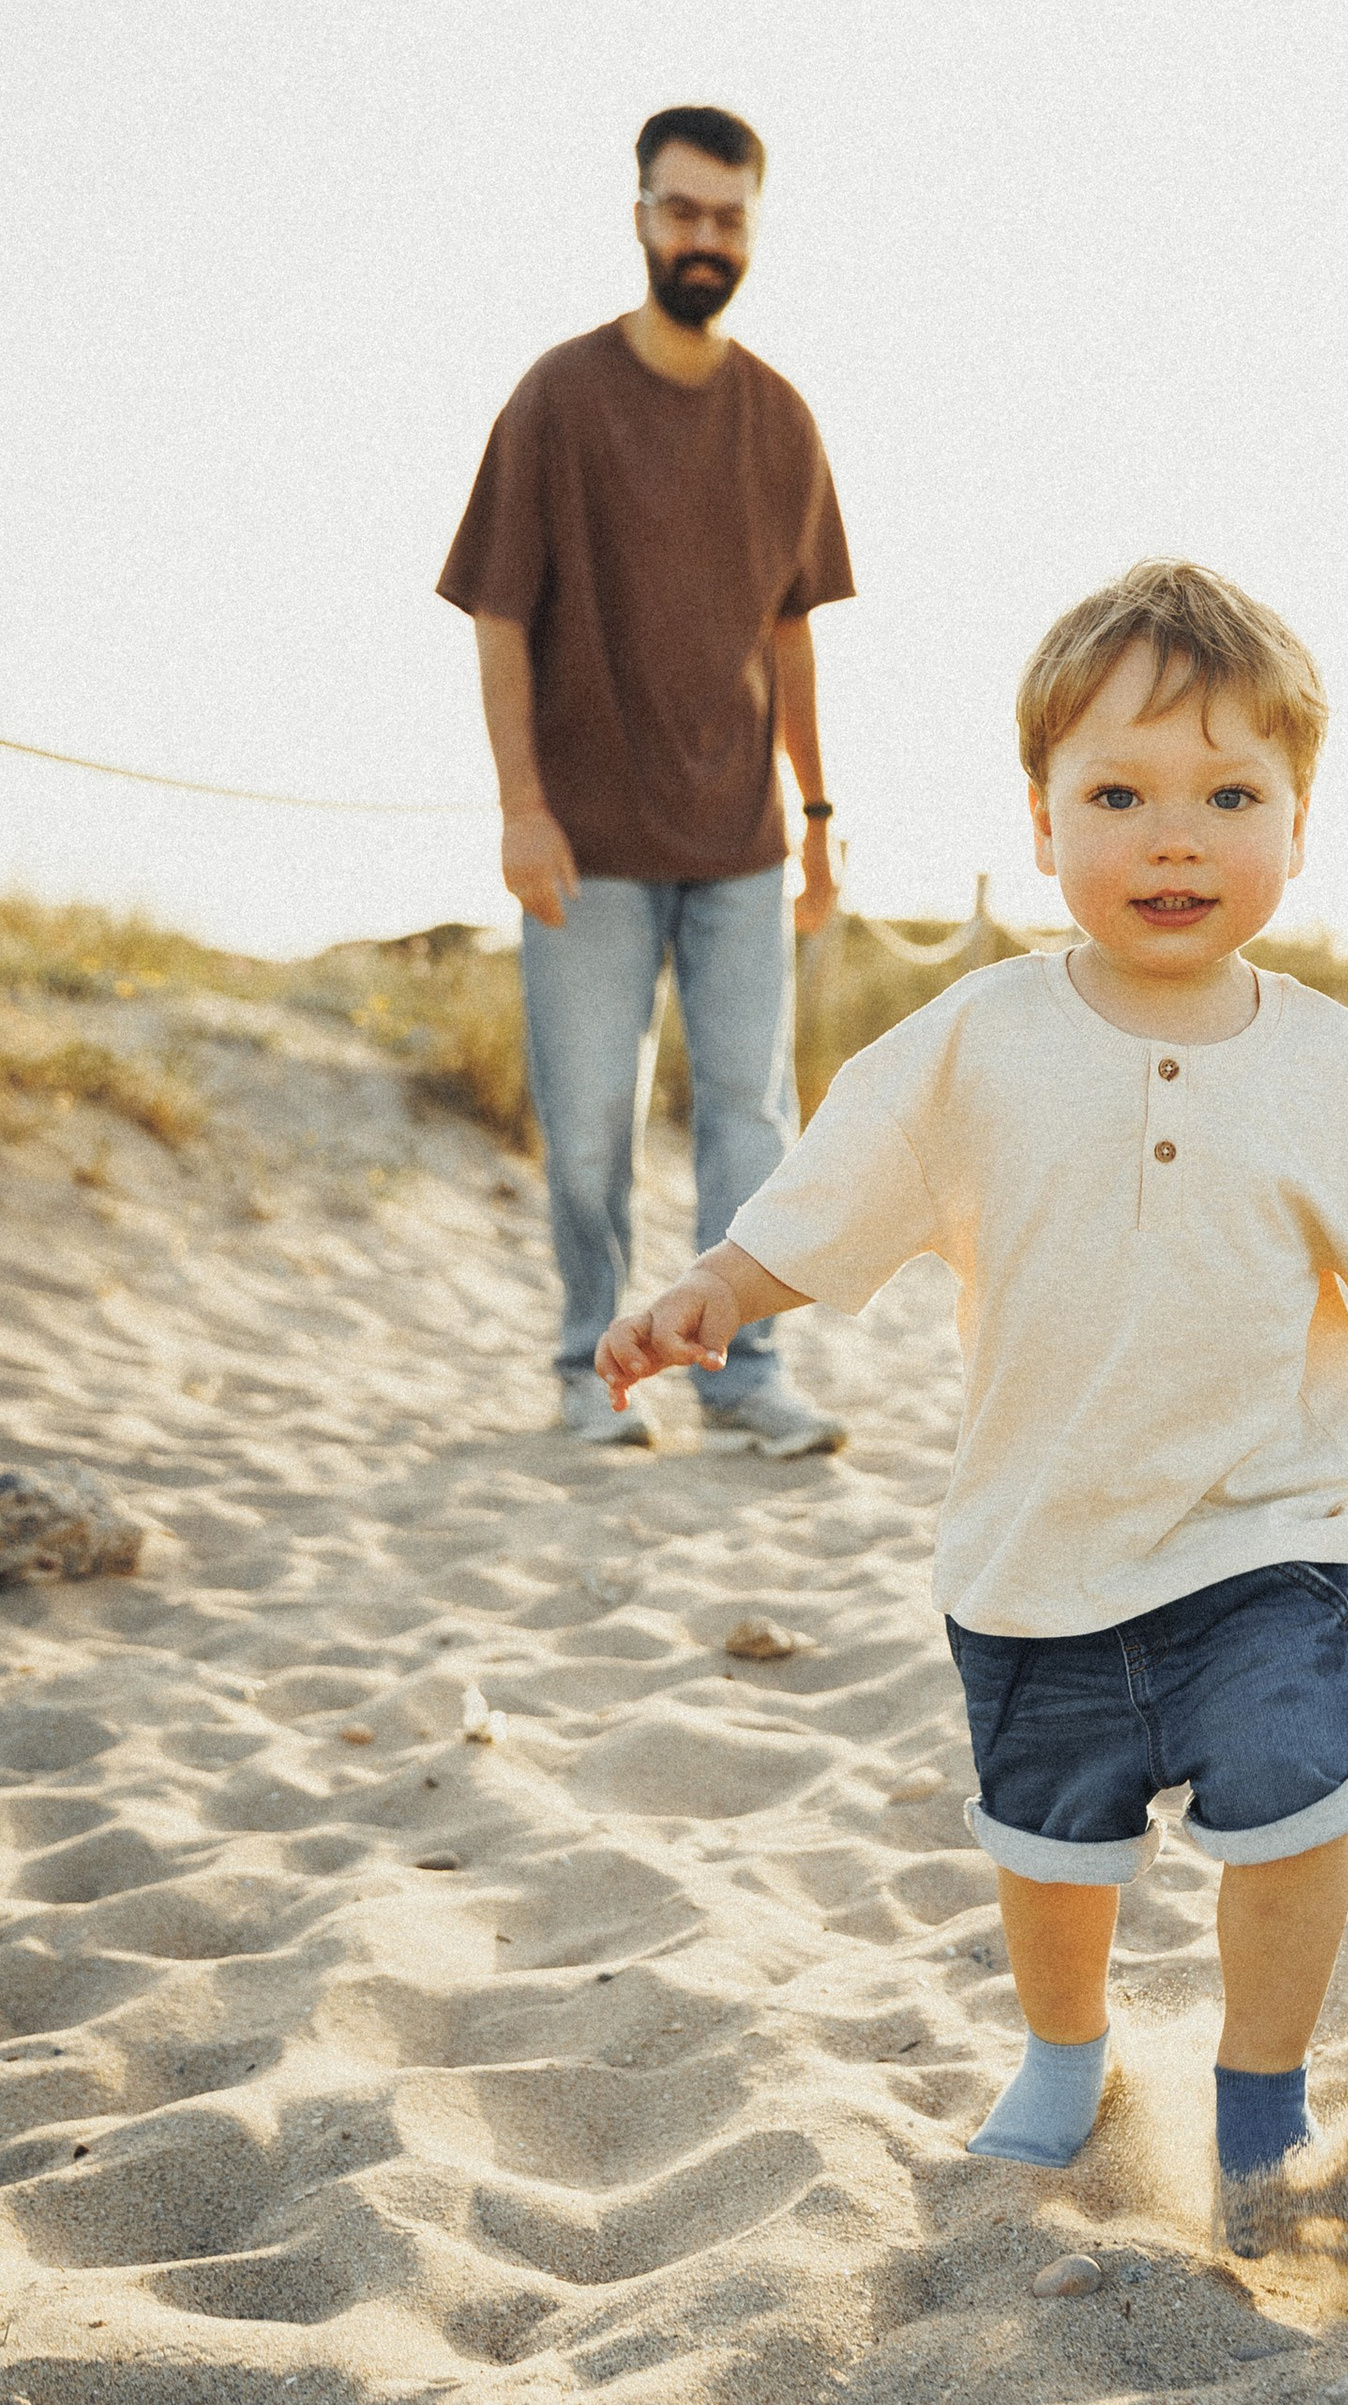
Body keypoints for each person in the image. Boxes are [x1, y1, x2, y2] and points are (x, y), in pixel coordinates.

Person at [595, 562, 1348, 2242]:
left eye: (1230, 796)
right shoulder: (977, 1038)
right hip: (1037, 1539)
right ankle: (1067, 2054)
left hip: (1263, 1531)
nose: (1176, 837)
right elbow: (841, 1193)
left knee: (1295, 1795)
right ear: (1044, 824)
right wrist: (718, 1290)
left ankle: (1260, 2105)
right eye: (1119, 795)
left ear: (1299, 825)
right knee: (1054, 1848)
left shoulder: (1328, 1059)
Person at [439, 105, 856, 1456]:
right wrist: (519, 803)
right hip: (588, 842)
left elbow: (791, 631)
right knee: (590, 1129)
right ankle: (587, 1367)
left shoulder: (781, 419)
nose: (704, 239)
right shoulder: (557, 399)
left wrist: (820, 814)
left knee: (752, 1122)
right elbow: (499, 610)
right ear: (638, 216)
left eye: (728, 218)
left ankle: (746, 1375)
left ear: (753, 229)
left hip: (742, 841)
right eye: (681, 212)